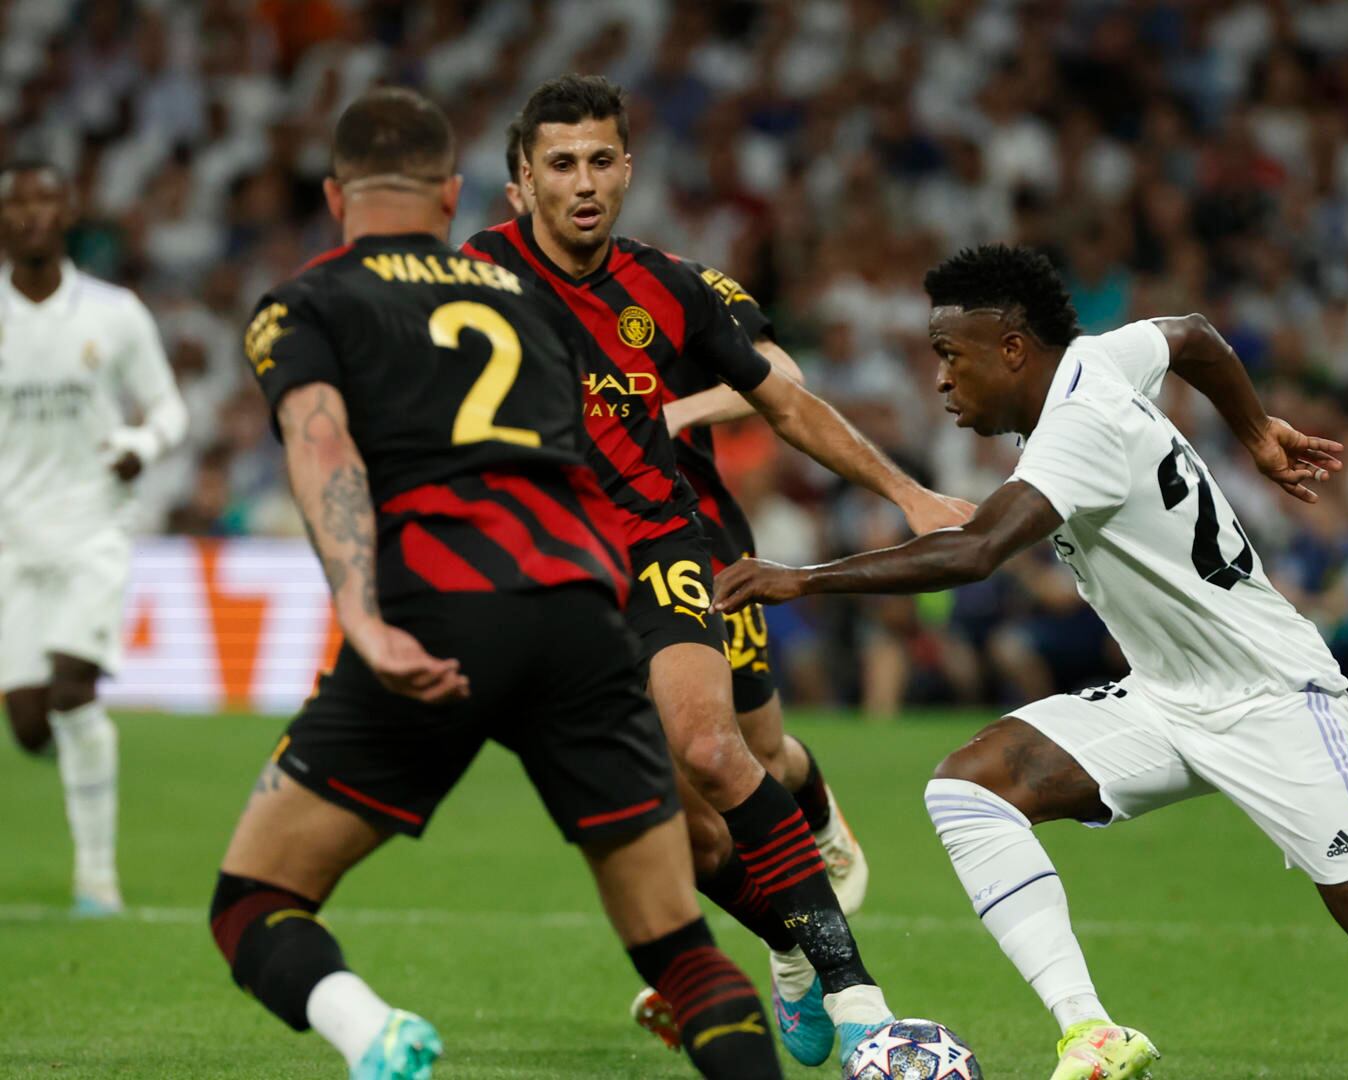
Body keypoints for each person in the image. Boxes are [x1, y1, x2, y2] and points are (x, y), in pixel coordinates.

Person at [715, 243, 1348, 1080]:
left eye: (951, 357)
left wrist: (803, 579)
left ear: (1012, 349)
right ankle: (1091, 1033)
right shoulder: (1100, 360)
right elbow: (1194, 336)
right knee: (970, 787)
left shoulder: (1078, 429)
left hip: (1271, 696)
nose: (941, 381)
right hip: (1166, 698)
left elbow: (973, 552)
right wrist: (1253, 428)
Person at [209, 88, 780, 1080]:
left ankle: (373, 1033)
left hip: (435, 618)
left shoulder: (309, 298)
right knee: (679, 951)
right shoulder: (528, 297)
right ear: (454, 191)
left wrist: (360, 614)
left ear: (337, 196)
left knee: (253, 902)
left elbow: (322, 441)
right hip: (576, 619)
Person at [465, 74, 968, 1067]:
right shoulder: (473, 281)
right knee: (691, 838)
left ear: (628, 168)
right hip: (554, 573)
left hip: (673, 545)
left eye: (600, 160)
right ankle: (789, 934)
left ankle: (858, 993)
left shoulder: (675, 285)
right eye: (560, 164)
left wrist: (908, 496)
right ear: (521, 182)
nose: (583, 182)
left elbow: (782, 394)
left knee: (724, 749)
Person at [0, 157, 187, 916]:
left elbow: (170, 408)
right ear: (6, 219)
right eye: (21, 203)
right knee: (29, 723)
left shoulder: (113, 314)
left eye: (49, 199)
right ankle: (69, 754)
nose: (35, 213)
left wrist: (141, 446)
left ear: (68, 212)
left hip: (93, 529)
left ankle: (97, 879)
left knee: (75, 688)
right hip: (11, 543)